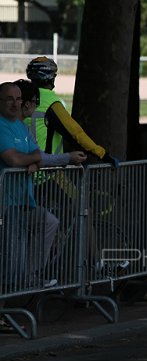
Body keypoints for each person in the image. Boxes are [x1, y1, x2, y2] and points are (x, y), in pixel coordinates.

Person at [0, 81, 57, 288]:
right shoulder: (1, 125)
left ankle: (28, 277)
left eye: (18, 99)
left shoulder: (20, 126)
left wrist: (32, 160)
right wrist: (30, 161)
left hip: (23, 202)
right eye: (9, 99)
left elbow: (38, 156)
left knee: (49, 222)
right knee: (11, 259)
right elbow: (13, 160)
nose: (15, 104)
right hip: (5, 205)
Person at [24, 56, 116, 165]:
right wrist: (102, 154)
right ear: (51, 77)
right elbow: (75, 133)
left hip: (22, 170)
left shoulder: (23, 96)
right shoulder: (51, 102)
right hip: (48, 171)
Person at [14, 79, 86, 167]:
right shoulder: (5, 127)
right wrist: (68, 158)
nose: (37, 105)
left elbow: (39, 157)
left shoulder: (24, 128)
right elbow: (14, 158)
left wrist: (68, 158)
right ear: (27, 104)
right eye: (35, 101)